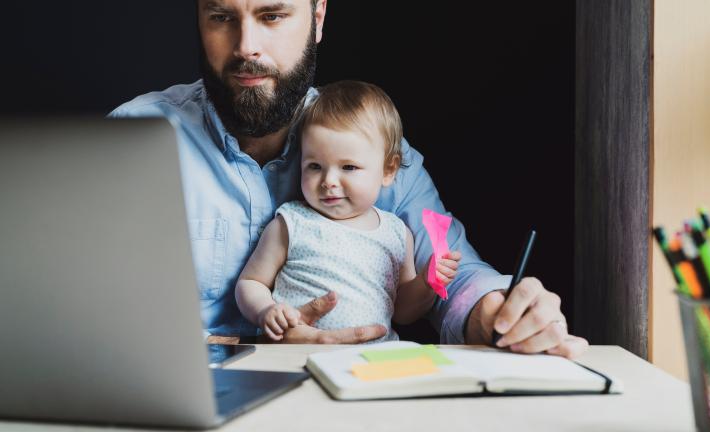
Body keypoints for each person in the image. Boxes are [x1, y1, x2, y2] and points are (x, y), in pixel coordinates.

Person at [109, 0, 587, 357]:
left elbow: (453, 270)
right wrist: (260, 337)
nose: (246, 46)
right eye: (221, 17)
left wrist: (493, 310)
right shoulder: (130, 139)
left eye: (272, 15)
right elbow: (80, 308)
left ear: (318, 18)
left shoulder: (375, 151)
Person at [236, 80, 461, 342]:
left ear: (389, 170)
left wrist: (426, 283)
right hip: (298, 355)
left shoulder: (396, 234)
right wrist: (266, 310)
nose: (329, 180)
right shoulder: (292, 223)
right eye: (315, 166)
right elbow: (250, 283)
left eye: (349, 167)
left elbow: (403, 312)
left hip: (374, 362)